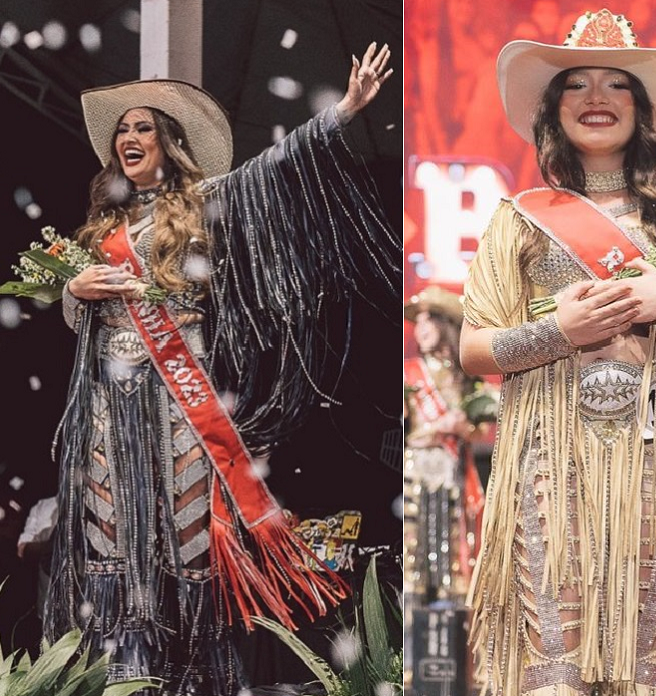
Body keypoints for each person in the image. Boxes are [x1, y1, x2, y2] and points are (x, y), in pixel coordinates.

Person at [43, 43, 399, 695]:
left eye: (142, 126)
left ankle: (196, 682)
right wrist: (77, 292)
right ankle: (126, 677)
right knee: (117, 553)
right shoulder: (103, 228)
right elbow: (74, 322)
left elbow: (277, 168)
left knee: (186, 551)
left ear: (169, 141)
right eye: (122, 129)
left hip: (178, 408)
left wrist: (344, 110)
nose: (129, 136)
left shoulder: (204, 203)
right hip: (108, 415)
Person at [460, 9, 656, 696]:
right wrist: (556, 333)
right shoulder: (518, 217)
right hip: (551, 461)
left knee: (641, 667)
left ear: (643, 112)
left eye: (616, 86)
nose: (596, 99)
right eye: (576, 85)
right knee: (557, 669)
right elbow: (473, 348)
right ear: (552, 110)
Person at [403, 285, 489, 689]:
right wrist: (429, 432)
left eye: (429, 319)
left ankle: (462, 663)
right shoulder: (407, 375)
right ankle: (407, 658)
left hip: (454, 474)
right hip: (416, 473)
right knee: (414, 558)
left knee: (458, 560)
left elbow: (479, 424)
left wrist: (465, 426)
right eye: (417, 320)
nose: (421, 327)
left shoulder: (463, 377)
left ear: (446, 325)